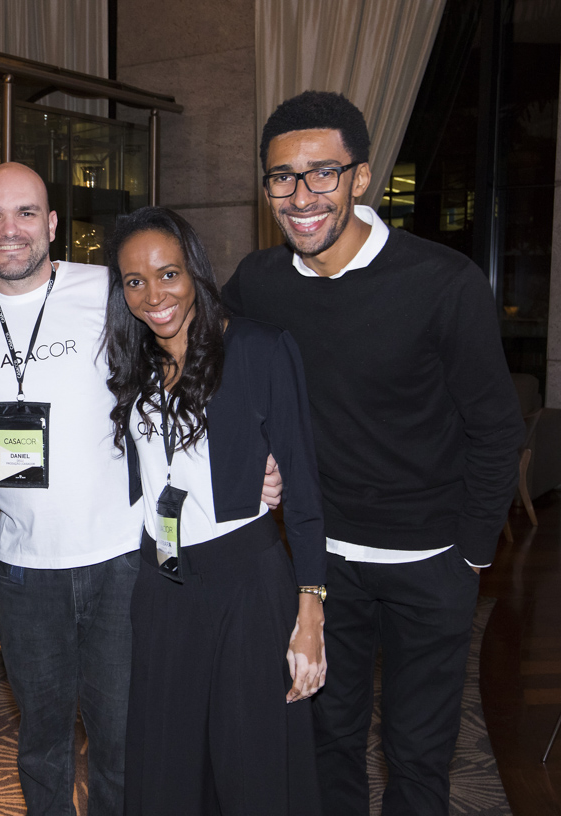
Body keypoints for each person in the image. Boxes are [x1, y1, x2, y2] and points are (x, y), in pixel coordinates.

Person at [0, 162, 285, 815]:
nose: (9, 229)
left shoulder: (110, 290)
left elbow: (204, 346)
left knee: (124, 739)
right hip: (24, 573)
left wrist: (261, 451)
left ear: (51, 225)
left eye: (25, 214)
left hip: (124, 561)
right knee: (41, 742)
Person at [222, 90, 522, 816]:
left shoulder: (442, 283)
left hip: (432, 562)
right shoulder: (260, 283)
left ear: (362, 178)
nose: (300, 196)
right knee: (327, 738)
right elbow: (215, 373)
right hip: (322, 566)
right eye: (282, 177)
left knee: (418, 754)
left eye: (322, 173)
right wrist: (251, 455)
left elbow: (496, 426)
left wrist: (473, 555)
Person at [104, 206, 325, 815]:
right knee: (168, 763)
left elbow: (303, 488)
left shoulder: (257, 348)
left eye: (168, 273)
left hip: (246, 588)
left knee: (251, 763)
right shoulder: (134, 361)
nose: (155, 295)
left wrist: (311, 611)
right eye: (135, 282)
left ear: (195, 271)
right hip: (163, 584)